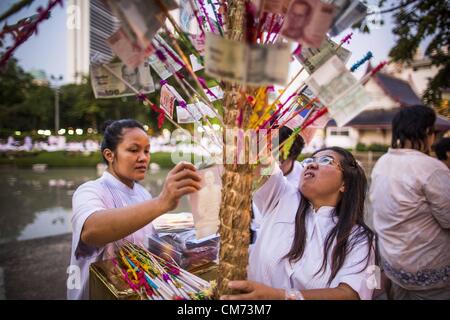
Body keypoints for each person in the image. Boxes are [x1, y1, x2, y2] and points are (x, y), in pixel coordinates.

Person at [67, 119, 201, 299]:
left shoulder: (142, 193)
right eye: (133, 150)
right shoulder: (90, 190)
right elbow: (91, 231)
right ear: (109, 155)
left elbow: (148, 247)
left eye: (147, 151)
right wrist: (161, 202)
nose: (143, 157)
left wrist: (184, 252)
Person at [223, 146, 376, 300]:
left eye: (326, 161)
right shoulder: (281, 195)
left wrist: (282, 296)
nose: (311, 164)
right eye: (308, 160)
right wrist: (251, 139)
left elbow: (350, 294)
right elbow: (258, 159)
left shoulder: (360, 238)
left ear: (345, 184)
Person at [370, 105, 450, 300]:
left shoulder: (383, 162)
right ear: (426, 132)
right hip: (429, 272)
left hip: (394, 267)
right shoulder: (431, 168)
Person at [250, 127, 305, 244]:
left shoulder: (303, 185)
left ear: (293, 156)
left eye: (279, 159)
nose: (272, 163)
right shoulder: (260, 171)